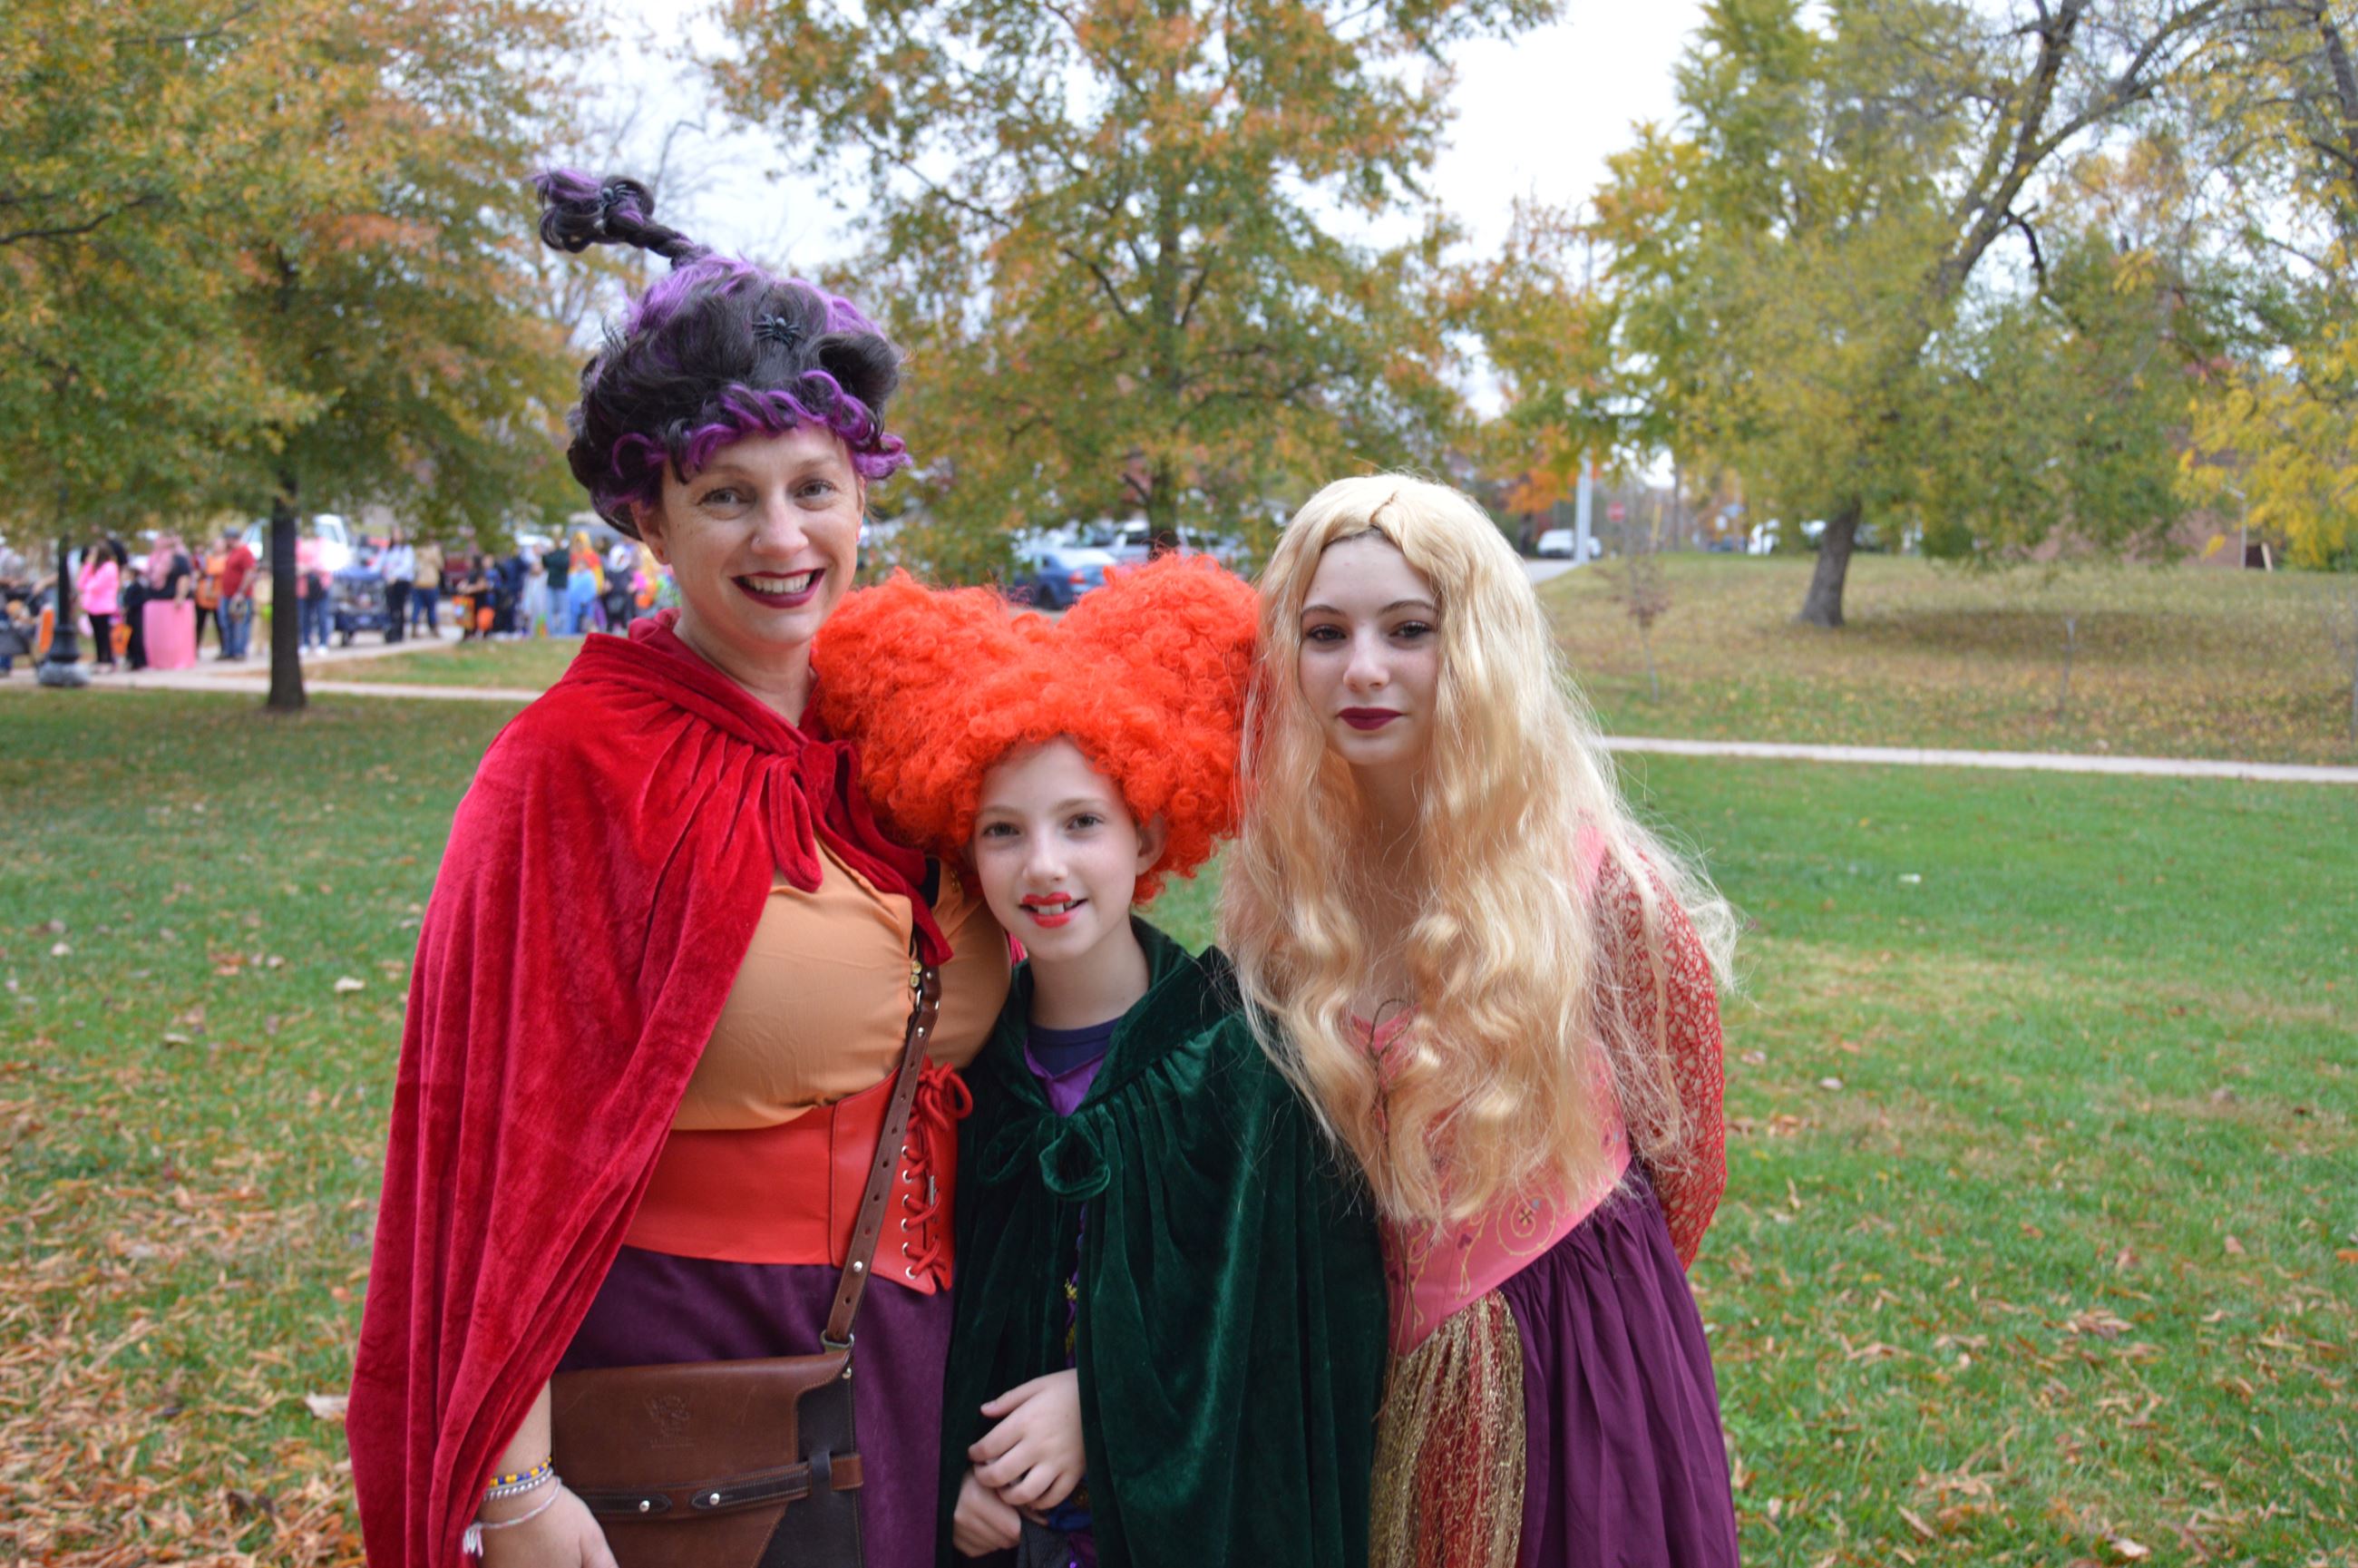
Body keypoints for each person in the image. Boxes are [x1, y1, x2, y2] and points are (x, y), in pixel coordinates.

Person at [348, 171, 1010, 1568]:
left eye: (814, 489)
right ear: (647, 518)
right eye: (728, 496)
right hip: (691, 1387)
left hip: (908, 1357)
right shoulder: (577, 766)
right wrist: (512, 1483)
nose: (784, 540)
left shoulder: (901, 732)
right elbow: (489, 1140)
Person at [813, 557, 1389, 1568]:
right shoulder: (961, 1078)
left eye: (1081, 822)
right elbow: (915, 1325)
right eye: (1003, 831)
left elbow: (1282, 1341)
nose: (1043, 865)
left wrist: (1102, 1405)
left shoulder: (1239, 1063)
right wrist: (944, 1469)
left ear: (1149, 828)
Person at [1223, 476, 1742, 1568]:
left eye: (1408, 629)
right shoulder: (1280, 891)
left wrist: (1567, 1311)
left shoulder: (1604, 890)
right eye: (1325, 632)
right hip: (1348, 1368)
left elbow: (1685, 1165)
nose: (1362, 667)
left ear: (1481, 646)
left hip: (1574, 1369)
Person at [141, 532, 199, 671]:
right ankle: (157, 661)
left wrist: (180, 596)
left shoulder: (179, 558)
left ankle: (177, 661)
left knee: (175, 638)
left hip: (172, 603)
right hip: (156, 602)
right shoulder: (155, 558)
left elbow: (184, 577)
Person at [76, 540, 121, 672]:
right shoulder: (93, 568)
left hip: (104, 606)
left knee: (104, 635)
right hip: (92, 606)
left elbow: (96, 585)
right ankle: (100, 659)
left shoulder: (110, 567)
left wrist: (89, 587)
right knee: (96, 635)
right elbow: (81, 584)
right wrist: (88, 565)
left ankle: (108, 660)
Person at [216, 528, 258, 661]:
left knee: (240, 623)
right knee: (226, 622)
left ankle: (239, 651)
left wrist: (241, 592)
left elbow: (250, 572)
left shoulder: (245, 552)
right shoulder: (233, 552)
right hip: (227, 594)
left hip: (240, 595)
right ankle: (229, 650)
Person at [381, 531, 416, 644]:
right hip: (389, 581)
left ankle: (399, 633)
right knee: (391, 608)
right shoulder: (389, 549)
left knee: (399, 608)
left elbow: (407, 565)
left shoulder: (406, 549)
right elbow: (380, 563)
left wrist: (395, 575)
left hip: (401, 581)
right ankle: (391, 630)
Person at [411, 536, 443, 637]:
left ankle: (420, 627)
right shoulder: (433, 551)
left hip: (423, 583)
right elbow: (441, 565)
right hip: (427, 583)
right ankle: (431, 629)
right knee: (429, 608)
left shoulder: (417, 551)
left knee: (421, 607)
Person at [540, 536, 572, 633]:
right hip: (551, 584)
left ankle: (564, 632)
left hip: (561, 585)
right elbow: (546, 564)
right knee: (550, 610)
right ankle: (551, 632)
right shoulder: (551, 554)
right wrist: (546, 554)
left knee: (563, 610)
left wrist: (553, 555)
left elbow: (562, 564)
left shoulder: (563, 553)